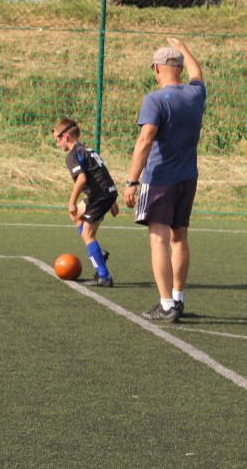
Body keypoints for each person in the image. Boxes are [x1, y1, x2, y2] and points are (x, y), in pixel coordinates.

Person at [123, 38, 206, 323]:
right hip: (187, 178)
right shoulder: (195, 95)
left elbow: (145, 140)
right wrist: (183, 47)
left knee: (158, 240)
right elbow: (198, 74)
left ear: (157, 68)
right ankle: (178, 299)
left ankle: (166, 303)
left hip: (159, 179)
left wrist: (131, 180)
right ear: (180, 68)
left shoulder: (155, 99)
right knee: (179, 237)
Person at [52, 117, 118, 287]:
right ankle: (98, 254)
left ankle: (104, 276)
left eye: (57, 140)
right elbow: (102, 173)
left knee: (88, 235)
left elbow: (81, 179)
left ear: (65, 137)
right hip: (106, 192)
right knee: (75, 215)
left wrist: (72, 201)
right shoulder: (88, 150)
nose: (57, 144)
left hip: (99, 196)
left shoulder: (73, 155)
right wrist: (112, 200)